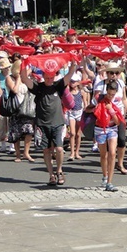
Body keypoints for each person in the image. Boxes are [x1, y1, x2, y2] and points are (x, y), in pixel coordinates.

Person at [21, 58, 77, 186]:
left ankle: (59, 171)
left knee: (58, 148)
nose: (49, 79)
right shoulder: (38, 87)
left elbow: (69, 74)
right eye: (47, 77)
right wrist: (24, 63)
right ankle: (51, 175)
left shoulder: (58, 86)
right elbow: (24, 78)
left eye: (51, 77)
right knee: (46, 150)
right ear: (43, 76)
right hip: (42, 123)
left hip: (58, 123)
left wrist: (73, 61)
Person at [86, 80, 125, 192]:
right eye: (109, 94)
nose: (110, 96)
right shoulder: (98, 98)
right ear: (106, 91)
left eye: (113, 94)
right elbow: (87, 109)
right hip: (100, 129)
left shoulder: (117, 102)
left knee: (113, 153)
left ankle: (110, 182)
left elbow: (118, 122)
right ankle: (105, 176)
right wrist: (96, 109)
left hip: (112, 129)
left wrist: (111, 110)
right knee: (104, 155)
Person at [5, 60, 36, 163]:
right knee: (16, 132)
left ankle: (26, 152)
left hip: (27, 107)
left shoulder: (27, 79)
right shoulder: (10, 78)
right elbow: (14, 90)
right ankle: (18, 154)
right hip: (15, 108)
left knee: (29, 131)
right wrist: (18, 78)